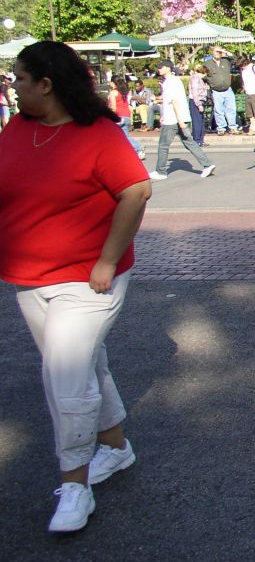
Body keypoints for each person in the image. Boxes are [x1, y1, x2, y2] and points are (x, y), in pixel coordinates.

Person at [0, 41, 152, 532]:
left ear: (46, 84)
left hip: (88, 280)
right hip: (28, 276)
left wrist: (107, 259)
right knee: (85, 365)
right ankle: (115, 448)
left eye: (20, 78)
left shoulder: (98, 135)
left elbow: (137, 190)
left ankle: (75, 484)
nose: (13, 85)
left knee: (64, 378)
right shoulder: (18, 127)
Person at [149, 60, 216, 181]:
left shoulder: (170, 82)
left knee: (163, 145)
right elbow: (170, 100)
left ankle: (161, 171)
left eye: (161, 67)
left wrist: (178, 118)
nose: (159, 69)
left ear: (168, 68)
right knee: (189, 142)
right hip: (179, 117)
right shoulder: (175, 81)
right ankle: (207, 164)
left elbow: (174, 101)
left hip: (173, 119)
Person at [107, 75, 145, 160]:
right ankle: (130, 151)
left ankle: (138, 147)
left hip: (118, 116)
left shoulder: (113, 93)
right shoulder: (124, 91)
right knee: (124, 136)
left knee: (112, 135)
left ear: (113, 83)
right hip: (126, 115)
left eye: (110, 82)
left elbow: (113, 107)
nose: (109, 83)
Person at [205, 46, 240, 135]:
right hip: (216, 91)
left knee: (231, 109)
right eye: (216, 51)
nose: (218, 53)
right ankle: (221, 128)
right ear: (212, 52)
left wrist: (225, 51)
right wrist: (209, 84)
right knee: (218, 110)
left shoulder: (226, 61)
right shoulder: (207, 63)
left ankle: (233, 127)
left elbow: (235, 59)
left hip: (227, 89)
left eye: (219, 52)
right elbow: (203, 75)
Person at [239, 56, 255, 133]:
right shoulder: (243, 70)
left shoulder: (254, 68)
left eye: (242, 66)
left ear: (245, 63)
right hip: (248, 93)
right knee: (250, 113)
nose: (241, 67)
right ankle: (253, 127)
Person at [187, 63, 209, 146]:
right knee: (197, 121)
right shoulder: (195, 79)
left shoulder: (198, 79)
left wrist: (204, 87)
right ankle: (197, 140)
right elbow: (195, 92)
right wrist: (199, 104)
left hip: (199, 101)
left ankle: (200, 139)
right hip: (196, 101)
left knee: (201, 121)